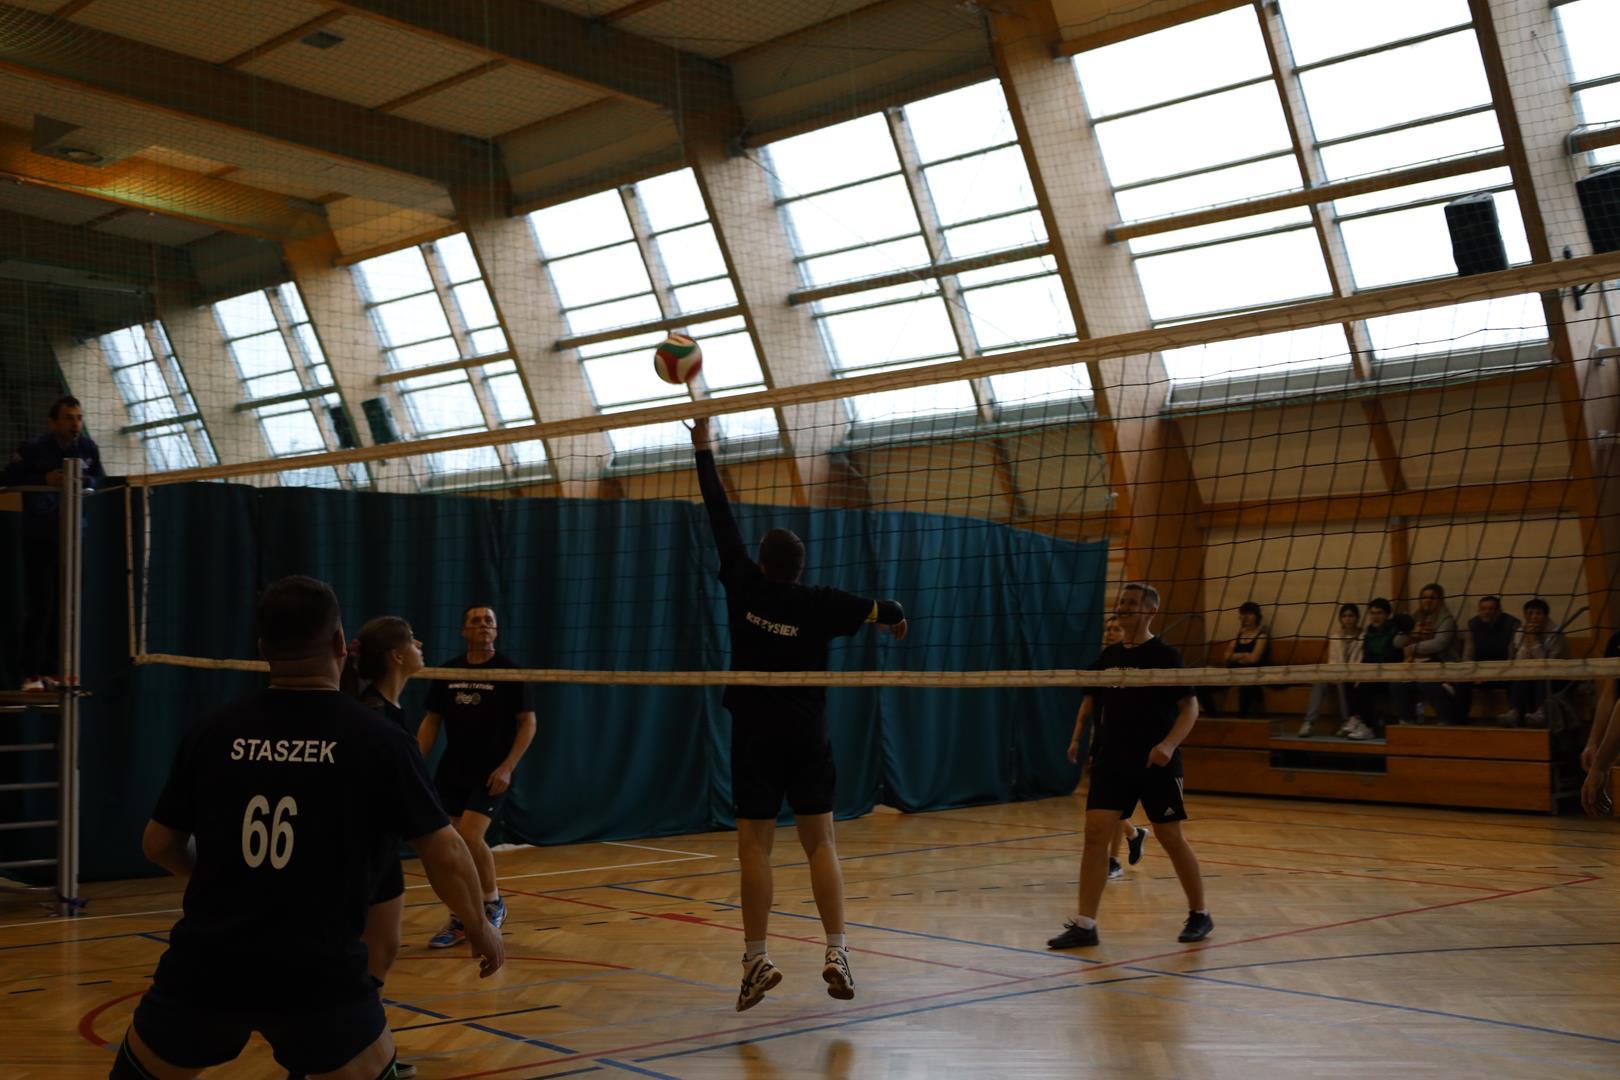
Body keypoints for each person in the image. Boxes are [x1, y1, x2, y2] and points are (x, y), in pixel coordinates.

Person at [109, 576, 501, 1080]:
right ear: (339, 644)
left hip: (208, 966)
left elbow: (158, 844)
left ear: (263, 649)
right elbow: (446, 851)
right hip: (320, 975)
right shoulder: (377, 738)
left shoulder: (213, 730)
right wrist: (479, 926)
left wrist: (218, 882)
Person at [689, 417, 909, 1012]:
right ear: (800, 567)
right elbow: (883, 607)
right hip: (807, 735)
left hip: (755, 734)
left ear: (761, 563)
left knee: (754, 849)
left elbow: (718, 514)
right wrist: (893, 617)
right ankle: (837, 950)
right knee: (821, 843)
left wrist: (703, 447)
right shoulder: (822, 603)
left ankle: (755, 959)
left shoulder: (744, 584)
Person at [1048, 582, 1212, 950]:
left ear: (1151, 611)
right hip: (1112, 761)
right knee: (1095, 835)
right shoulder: (1108, 657)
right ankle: (1085, 924)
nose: (1123, 607)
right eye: (1121, 601)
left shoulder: (1166, 656)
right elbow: (1093, 705)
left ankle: (1200, 912)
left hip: (1156, 762)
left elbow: (1190, 708)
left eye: (1132, 603)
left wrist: (1168, 745)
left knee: (1171, 837)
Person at [417, 605, 536, 949]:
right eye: (475, 621)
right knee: (449, 845)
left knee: (470, 835)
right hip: (453, 770)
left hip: (492, 771)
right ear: (463, 631)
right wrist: (413, 760)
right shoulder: (448, 671)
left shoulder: (510, 671)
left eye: (489, 621)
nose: (483, 625)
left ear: (495, 631)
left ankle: (492, 903)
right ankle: (460, 917)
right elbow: (432, 721)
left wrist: (508, 767)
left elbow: (528, 722)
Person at [341, 616, 429, 1080]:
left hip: (382, 849)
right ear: (397, 656)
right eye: (413, 640)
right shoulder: (372, 717)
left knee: (385, 949)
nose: (420, 644)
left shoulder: (391, 711)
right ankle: (348, 1048)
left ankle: (368, 1045)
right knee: (361, 957)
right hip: (359, 852)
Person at [1, 395, 105, 691]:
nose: (75, 424)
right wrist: (44, 479)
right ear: (53, 422)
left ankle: (59, 672)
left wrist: (84, 482)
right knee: (41, 605)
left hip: (74, 535)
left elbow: (99, 478)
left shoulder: (88, 448)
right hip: (40, 536)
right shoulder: (33, 448)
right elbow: (9, 476)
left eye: (79, 418)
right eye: (69, 418)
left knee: (68, 605)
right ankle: (32, 674)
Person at [1067, 615, 1148, 880]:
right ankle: (1134, 834)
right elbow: (1085, 709)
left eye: (1116, 628)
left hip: (1128, 742)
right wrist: (1075, 739)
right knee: (1106, 805)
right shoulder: (1099, 666)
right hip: (1102, 743)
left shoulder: (1135, 665)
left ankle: (1114, 860)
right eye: (1108, 629)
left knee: (1116, 804)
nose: (1111, 632)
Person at [1498, 598, 1568, 728]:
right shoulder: (1521, 631)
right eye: (1530, 613)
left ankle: (1542, 712)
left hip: (1559, 674)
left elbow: (1549, 664)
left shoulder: (1555, 633)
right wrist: (1527, 640)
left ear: (1546, 615)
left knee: (1541, 674)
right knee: (1520, 675)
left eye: (1538, 613)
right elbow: (1519, 661)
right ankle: (1514, 712)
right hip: (1531, 672)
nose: (1534, 617)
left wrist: (1533, 641)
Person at [1398, 584, 1461, 724]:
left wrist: (1412, 648)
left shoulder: (1447, 620)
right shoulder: (1415, 617)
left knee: (1427, 683)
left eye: (1432, 598)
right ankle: (1407, 720)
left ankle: (1445, 720)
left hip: (1443, 664)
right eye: (1424, 597)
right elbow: (1397, 642)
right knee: (1397, 683)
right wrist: (1411, 634)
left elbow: (1439, 643)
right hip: (1416, 666)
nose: (1428, 601)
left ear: (1440, 600)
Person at [1348, 598, 1409, 739]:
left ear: (1388, 615)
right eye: (1372, 613)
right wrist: (1361, 675)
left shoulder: (1395, 634)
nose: (1375, 617)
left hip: (1392, 676)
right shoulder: (1368, 635)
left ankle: (1367, 726)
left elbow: (1393, 657)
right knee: (1351, 681)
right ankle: (1355, 720)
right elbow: (1366, 659)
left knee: (1365, 686)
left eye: (1379, 613)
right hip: (1375, 676)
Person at [1299, 603, 1361, 738]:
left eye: (1351, 616)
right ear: (1340, 619)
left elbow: (1360, 660)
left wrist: (1347, 675)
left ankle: (1346, 721)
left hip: (1353, 676)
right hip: (1336, 674)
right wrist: (1335, 674)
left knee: (1342, 683)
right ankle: (1309, 723)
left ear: (1357, 618)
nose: (1348, 619)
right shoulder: (1335, 637)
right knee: (1319, 681)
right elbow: (1332, 661)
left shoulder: (1362, 636)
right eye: (1344, 616)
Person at [1459, 595, 1518, 723]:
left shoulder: (1511, 624)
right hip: (1480, 674)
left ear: (1499, 611)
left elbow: (1512, 657)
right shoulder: (1472, 625)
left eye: (1491, 609)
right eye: (1483, 609)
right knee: (1461, 681)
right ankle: (1459, 720)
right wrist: (1474, 674)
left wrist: (1498, 674)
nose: (1486, 612)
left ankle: (1515, 715)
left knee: (1517, 680)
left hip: (1505, 673)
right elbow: (1467, 656)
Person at [1223, 601, 1269, 716]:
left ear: (1256, 616)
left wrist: (1236, 656)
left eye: (1249, 613)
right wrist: (1244, 655)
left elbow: (1253, 659)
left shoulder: (1261, 636)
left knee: (1246, 684)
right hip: (1233, 673)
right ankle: (1213, 716)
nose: (1246, 617)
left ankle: (1243, 716)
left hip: (1251, 674)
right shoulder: (1238, 636)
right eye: (1243, 614)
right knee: (1202, 687)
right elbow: (1227, 656)